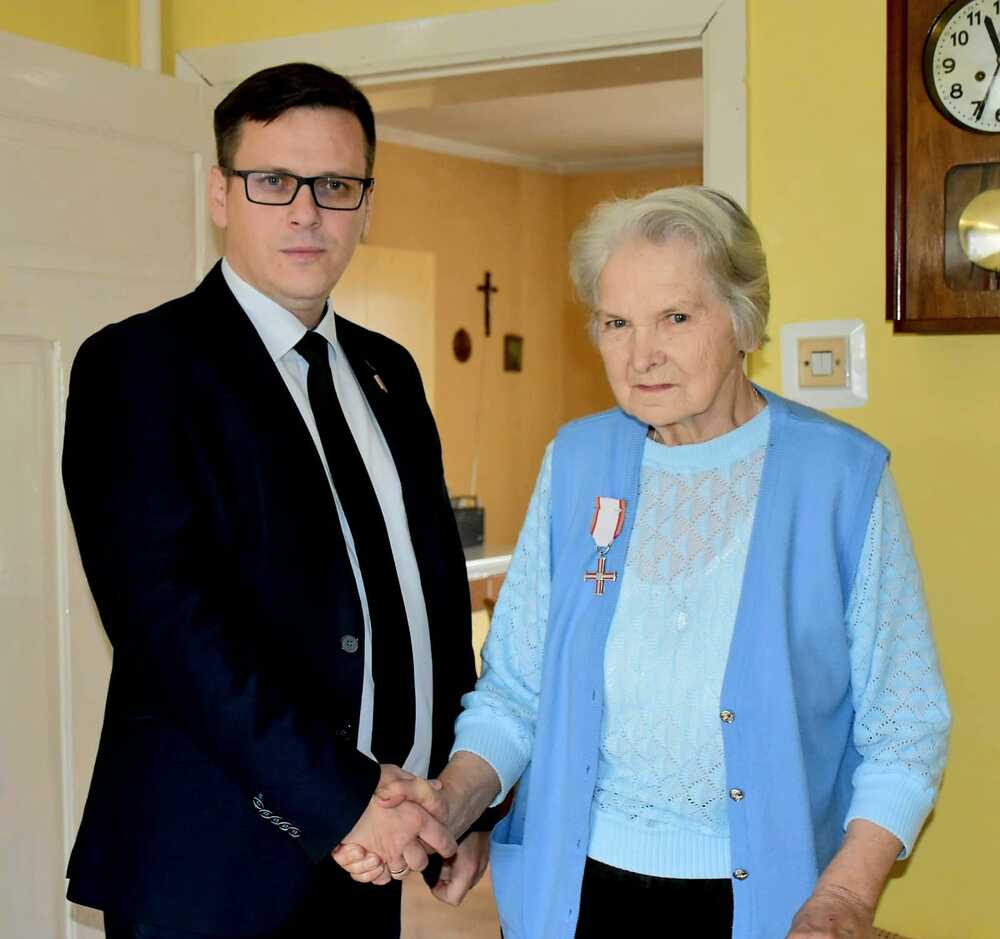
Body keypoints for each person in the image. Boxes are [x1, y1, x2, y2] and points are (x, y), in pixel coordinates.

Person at [334, 186, 951, 938]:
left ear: (744, 319)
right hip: (572, 895)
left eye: (676, 318)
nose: (641, 354)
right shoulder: (577, 461)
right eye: (616, 323)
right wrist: (450, 802)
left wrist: (846, 896)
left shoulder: (839, 479)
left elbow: (905, 730)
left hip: (771, 904)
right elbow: (516, 692)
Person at [62, 62, 490, 939]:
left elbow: (433, 604)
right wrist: (344, 798)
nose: (306, 212)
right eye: (273, 181)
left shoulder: (390, 371)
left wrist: (463, 797)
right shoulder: (138, 368)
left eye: (335, 185)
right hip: (215, 868)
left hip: (374, 858)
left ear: (366, 205)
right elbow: (170, 630)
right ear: (221, 194)